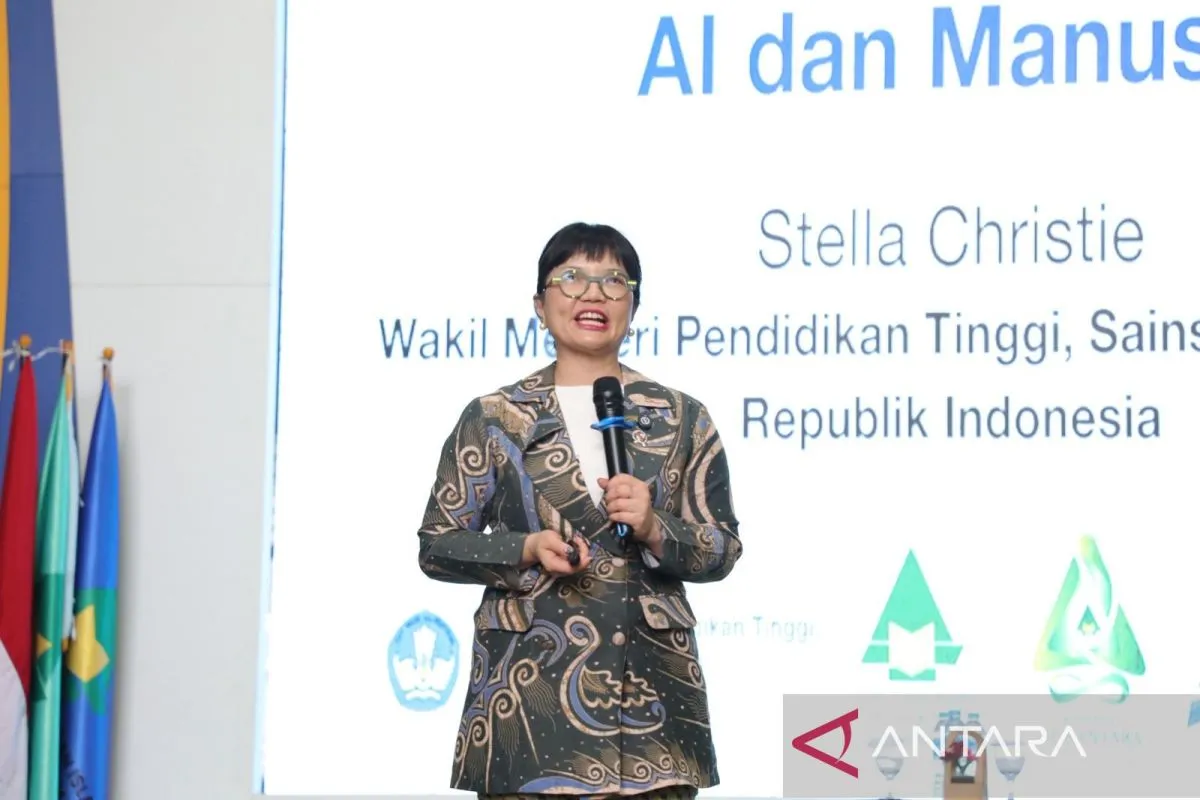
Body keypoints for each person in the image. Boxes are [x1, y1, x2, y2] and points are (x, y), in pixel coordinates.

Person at [416, 222, 743, 800]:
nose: (593, 293)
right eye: (571, 278)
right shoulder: (495, 417)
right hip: (528, 714)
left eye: (613, 280)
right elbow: (438, 545)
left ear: (634, 305)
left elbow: (722, 548)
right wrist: (524, 548)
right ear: (539, 305)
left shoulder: (683, 418)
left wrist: (656, 527)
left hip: (655, 717)